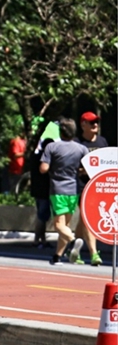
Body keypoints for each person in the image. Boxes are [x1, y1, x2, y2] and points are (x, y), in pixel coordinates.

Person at [40, 119, 88, 265]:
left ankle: (73, 241)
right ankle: (57, 256)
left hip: (57, 189)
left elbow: (43, 169)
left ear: (61, 132)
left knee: (58, 225)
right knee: (65, 225)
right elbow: (87, 169)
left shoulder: (52, 147)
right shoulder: (82, 149)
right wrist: (77, 171)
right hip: (73, 190)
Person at [75, 112, 108, 265]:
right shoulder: (77, 143)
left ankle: (73, 249)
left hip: (98, 186)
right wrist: (84, 170)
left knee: (83, 219)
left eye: (96, 122)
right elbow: (73, 166)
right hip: (82, 186)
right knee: (88, 218)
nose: (95, 125)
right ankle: (94, 253)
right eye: (91, 122)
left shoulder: (102, 141)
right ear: (83, 125)